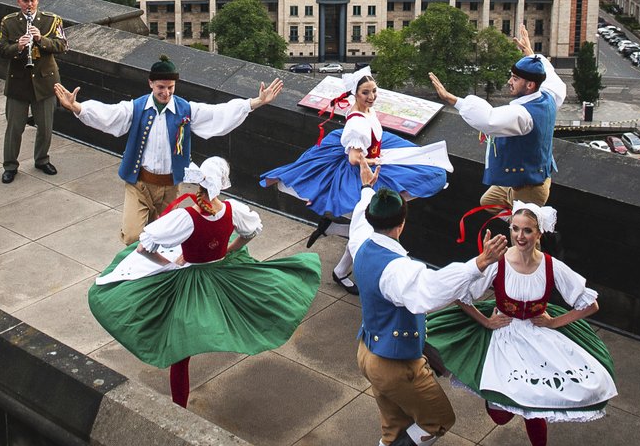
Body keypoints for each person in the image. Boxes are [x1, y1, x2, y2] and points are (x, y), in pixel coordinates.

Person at [87, 157, 322, 407]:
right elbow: (251, 231)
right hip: (219, 272)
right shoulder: (232, 209)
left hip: (190, 281)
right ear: (222, 183)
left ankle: (180, 406)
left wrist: (168, 264)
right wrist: (228, 251)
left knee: (180, 348)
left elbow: (144, 247)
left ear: (198, 183)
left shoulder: (186, 217)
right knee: (242, 314)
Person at [349, 165, 507, 446]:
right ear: (402, 222)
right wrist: (479, 263)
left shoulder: (361, 239)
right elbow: (430, 292)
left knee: (393, 428)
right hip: (396, 365)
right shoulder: (399, 269)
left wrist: (366, 188)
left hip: (369, 351)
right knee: (438, 420)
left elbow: (361, 208)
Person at [425, 202, 616, 446]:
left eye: (527, 231)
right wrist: (486, 321)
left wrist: (554, 323)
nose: (520, 236)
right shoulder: (498, 263)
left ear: (540, 234)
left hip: (539, 338)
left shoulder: (552, 266)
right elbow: (461, 293)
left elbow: (590, 304)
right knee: (500, 414)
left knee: (534, 405)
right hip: (504, 335)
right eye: (515, 229)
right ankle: (508, 409)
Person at [259, 66, 452, 291]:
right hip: (358, 171)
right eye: (365, 93)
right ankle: (339, 265)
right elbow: (353, 159)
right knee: (374, 222)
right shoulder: (357, 123)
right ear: (355, 94)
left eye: (374, 91)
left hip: (369, 156)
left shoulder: (365, 113)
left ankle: (334, 237)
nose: (371, 97)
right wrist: (378, 161)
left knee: (375, 220)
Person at [54, 56, 283, 243]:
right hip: (139, 185)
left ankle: (152, 279)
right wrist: (77, 107)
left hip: (170, 187)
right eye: (161, 87)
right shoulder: (136, 108)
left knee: (163, 239)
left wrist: (255, 102)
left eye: (171, 87)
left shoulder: (186, 109)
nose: (166, 93)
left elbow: (217, 113)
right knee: (133, 236)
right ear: (151, 84)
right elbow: (109, 114)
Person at [429, 26, 565, 210]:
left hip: (529, 188)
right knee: (488, 202)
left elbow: (489, 120)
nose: (509, 81)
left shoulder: (524, 115)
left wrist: (451, 99)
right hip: (530, 176)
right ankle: (519, 223)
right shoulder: (548, 95)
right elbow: (549, 77)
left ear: (531, 84)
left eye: (515, 79)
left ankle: (530, 229)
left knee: (522, 233)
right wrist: (531, 55)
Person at [0, 0, 67, 183]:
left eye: (32, 0)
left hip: (45, 81)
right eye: (25, 1)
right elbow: (1, 48)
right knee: (14, 127)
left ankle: (42, 159)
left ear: (37, 0)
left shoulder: (52, 20)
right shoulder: (9, 22)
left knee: (45, 126)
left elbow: (62, 45)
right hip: (18, 81)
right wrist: (17, 47)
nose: (29, 4)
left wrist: (41, 39)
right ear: (19, 2)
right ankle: (10, 165)